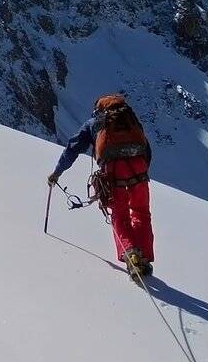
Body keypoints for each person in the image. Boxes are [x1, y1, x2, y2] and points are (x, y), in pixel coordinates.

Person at [48, 93, 155, 277]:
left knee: (120, 214)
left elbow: (72, 148)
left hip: (113, 169)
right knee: (141, 212)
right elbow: (146, 147)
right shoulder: (129, 119)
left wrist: (57, 173)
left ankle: (130, 254)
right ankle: (143, 257)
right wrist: (142, 171)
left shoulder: (95, 123)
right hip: (139, 166)